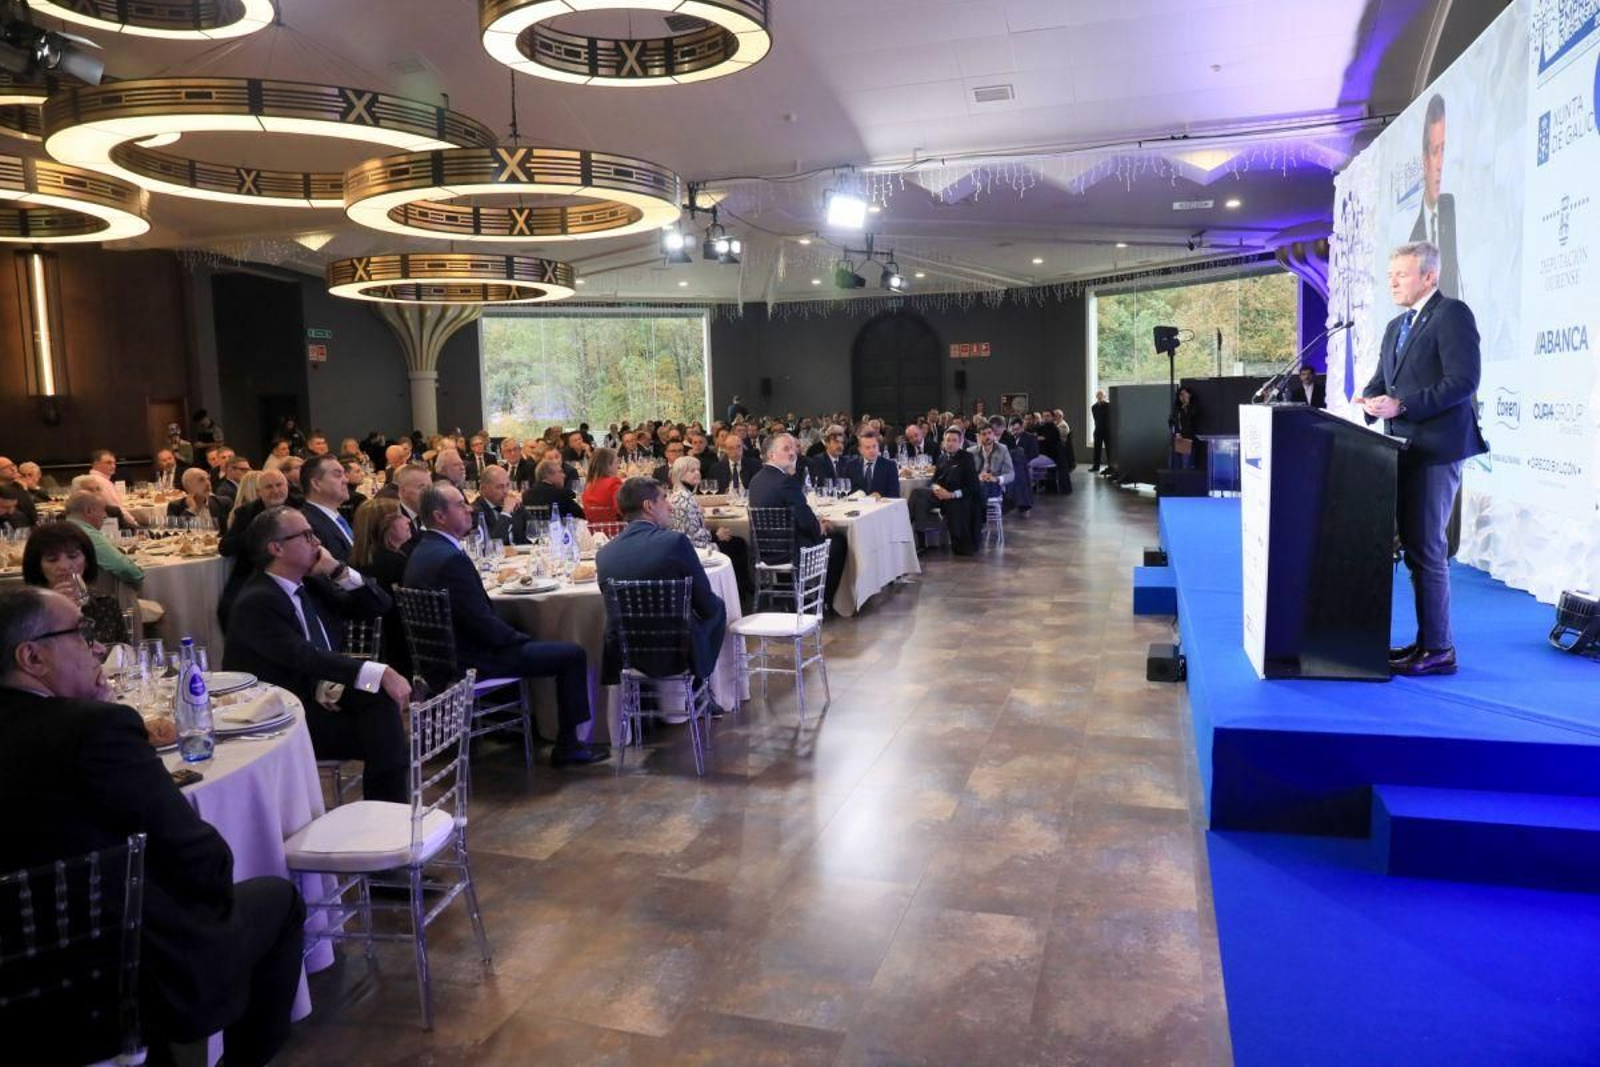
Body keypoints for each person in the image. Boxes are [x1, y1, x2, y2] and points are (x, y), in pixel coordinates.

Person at [0, 585, 305, 1067]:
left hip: (14, 979)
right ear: (32, 656)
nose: (99, 647)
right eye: (81, 634)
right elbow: (196, 856)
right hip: (109, 972)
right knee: (279, 900)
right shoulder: (96, 730)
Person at [403, 485, 605, 766]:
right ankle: (569, 745)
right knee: (572, 655)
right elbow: (483, 625)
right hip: (474, 660)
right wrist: (523, 638)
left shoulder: (424, 551)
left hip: (443, 658)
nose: (469, 509)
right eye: (461, 505)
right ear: (439, 516)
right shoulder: (450, 559)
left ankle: (528, 724)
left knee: (537, 643)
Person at [224, 506, 411, 802]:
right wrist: (381, 671)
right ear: (277, 548)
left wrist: (338, 570)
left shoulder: (309, 584)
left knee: (382, 708)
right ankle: (390, 814)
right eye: (306, 535)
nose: (317, 542)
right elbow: (303, 656)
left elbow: (379, 605)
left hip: (319, 692)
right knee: (386, 737)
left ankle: (387, 812)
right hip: (282, 712)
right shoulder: (257, 601)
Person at [1362, 240, 1487, 677]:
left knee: (1428, 549)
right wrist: (1370, 401)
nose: (1393, 280)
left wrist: (1403, 406)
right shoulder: (1397, 325)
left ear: (1429, 277)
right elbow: (1382, 382)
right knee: (1414, 549)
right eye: (1391, 273)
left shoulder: (1452, 314)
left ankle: (1440, 649)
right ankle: (1425, 640)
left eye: (1402, 273)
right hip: (1398, 449)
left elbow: (1463, 381)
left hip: (1436, 450)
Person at [597, 477, 727, 687]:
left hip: (627, 652)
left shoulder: (604, 554)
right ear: (649, 506)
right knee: (718, 607)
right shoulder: (674, 542)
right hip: (677, 650)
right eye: (664, 499)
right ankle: (701, 685)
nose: (670, 506)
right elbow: (706, 603)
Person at [747, 433, 848, 609]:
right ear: (771, 455)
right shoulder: (786, 482)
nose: (792, 452)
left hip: (764, 553)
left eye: (793, 448)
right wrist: (820, 527)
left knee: (802, 534)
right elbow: (805, 520)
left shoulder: (756, 480)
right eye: (786, 449)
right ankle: (825, 602)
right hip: (791, 553)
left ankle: (789, 600)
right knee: (838, 542)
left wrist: (814, 524)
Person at [21, 522, 129, 645]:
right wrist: (55, 610)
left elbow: (124, 654)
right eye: (52, 559)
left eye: (73, 556)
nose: (64, 566)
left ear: (87, 561)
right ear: (38, 566)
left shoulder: (105, 604)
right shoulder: (27, 612)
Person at [666, 455, 752, 608]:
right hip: (694, 548)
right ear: (680, 474)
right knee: (737, 544)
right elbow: (690, 534)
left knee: (737, 542)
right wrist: (715, 535)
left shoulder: (683, 494)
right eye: (692, 471)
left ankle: (740, 591)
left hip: (693, 541)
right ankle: (737, 593)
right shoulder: (684, 498)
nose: (697, 473)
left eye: (698, 470)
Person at [218, 469, 290, 630]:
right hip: (254, 571)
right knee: (230, 609)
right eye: (269, 487)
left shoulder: (299, 507)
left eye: (279, 485)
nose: (276, 491)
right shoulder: (247, 512)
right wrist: (257, 532)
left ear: (287, 486)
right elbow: (225, 547)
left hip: (295, 570)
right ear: (259, 492)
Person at [1410, 94, 1461, 299]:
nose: (1440, 163)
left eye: (1445, 150)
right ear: (1424, 159)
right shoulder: (1412, 241)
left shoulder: (1456, 217)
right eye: (1435, 151)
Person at [908, 428, 982, 555]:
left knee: (921, 500)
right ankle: (918, 538)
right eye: (948, 440)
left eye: (954, 440)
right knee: (917, 494)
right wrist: (937, 490)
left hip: (957, 496)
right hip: (940, 495)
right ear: (943, 442)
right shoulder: (942, 458)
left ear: (960, 442)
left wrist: (951, 495)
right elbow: (933, 481)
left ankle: (914, 534)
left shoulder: (966, 458)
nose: (950, 443)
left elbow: (973, 487)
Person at [62, 491, 144, 587]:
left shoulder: (62, 529)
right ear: (88, 511)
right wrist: (141, 577)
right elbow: (124, 568)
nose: (105, 515)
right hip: (97, 596)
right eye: (103, 510)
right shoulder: (88, 535)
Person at [299, 453, 356, 563]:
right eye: (338, 475)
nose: (346, 480)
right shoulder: (308, 525)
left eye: (344, 474)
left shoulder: (335, 515)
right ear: (316, 484)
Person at [166, 467, 230, 527]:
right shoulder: (175, 507)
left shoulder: (223, 503)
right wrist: (192, 510)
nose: (208, 483)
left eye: (208, 479)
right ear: (188, 486)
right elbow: (173, 533)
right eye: (201, 480)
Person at [846, 429, 900, 498]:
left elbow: (895, 494)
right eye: (867, 448)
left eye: (874, 446)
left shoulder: (889, 466)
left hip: (882, 506)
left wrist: (880, 497)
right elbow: (846, 492)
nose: (872, 451)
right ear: (860, 450)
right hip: (857, 507)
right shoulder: (851, 466)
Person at [969, 422, 1015, 501]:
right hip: (977, 484)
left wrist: (996, 479)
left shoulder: (1002, 449)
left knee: (990, 487)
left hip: (995, 483)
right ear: (979, 437)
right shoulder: (971, 451)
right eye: (984, 434)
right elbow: (966, 474)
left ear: (993, 434)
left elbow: (1011, 474)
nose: (987, 436)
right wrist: (978, 477)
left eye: (989, 433)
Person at [581, 448, 623, 524]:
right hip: (615, 529)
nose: (618, 466)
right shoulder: (613, 483)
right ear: (608, 465)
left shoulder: (588, 485)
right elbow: (623, 509)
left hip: (594, 531)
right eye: (616, 462)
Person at [1170, 386, 1199, 469]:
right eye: (1180, 395)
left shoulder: (1193, 407)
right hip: (1177, 439)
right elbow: (1172, 422)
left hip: (1188, 440)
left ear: (1189, 395)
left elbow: (1191, 418)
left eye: (1184, 394)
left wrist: (1186, 406)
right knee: (1175, 465)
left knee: (1186, 465)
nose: (1182, 397)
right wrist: (1176, 433)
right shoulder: (1176, 409)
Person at [1090, 390, 1111, 471]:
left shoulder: (1108, 406)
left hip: (1107, 430)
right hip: (1098, 430)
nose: (1099, 396)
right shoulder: (1093, 407)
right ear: (1096, 396)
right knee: (1097, 449)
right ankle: (1096, 466)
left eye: (1101, 395)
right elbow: (1096, 419)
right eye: (1098, 395)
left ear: (1104, 396)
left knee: (1109, 449)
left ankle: (1110, 466)